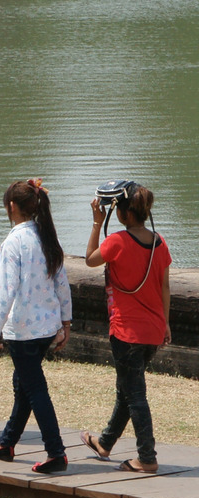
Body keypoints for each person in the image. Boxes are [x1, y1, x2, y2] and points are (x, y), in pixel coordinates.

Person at [81, 183, 172, 473]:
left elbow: (90, 259)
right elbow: (165, 287)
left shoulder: (117, 241)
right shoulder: (160, 242)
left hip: (126, 332)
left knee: (135, 395)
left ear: (125, 213)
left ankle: (146, 458)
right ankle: (105, 443)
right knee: (127, 389)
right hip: (153, 331)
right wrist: (166, 323)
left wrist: (97, 223)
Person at [0, 179, 72, 474]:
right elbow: (62, 284)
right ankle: (7, 443)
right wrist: (65, 322)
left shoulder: (14, 241)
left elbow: (4, 289)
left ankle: (56, 452)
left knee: (34, 388)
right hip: (45, 327)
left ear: (12, 207)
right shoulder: (46, 237)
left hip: (22, 330)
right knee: (24, 385)